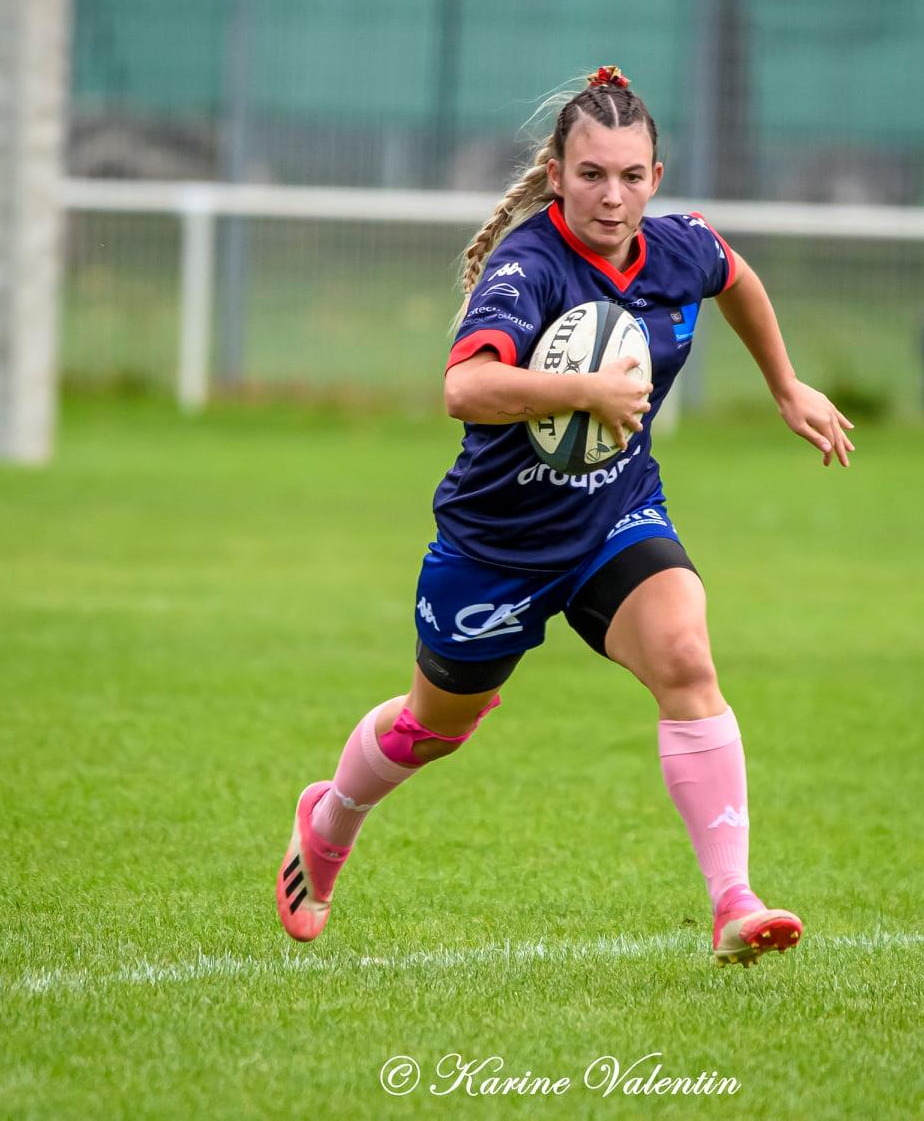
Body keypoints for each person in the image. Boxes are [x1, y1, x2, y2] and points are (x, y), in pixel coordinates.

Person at [274, 65, 854, 966]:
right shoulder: (529, 266)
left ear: (656, 178)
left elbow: (735, 276)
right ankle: (331, 816)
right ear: (556, 173)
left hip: (613, 518)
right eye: (592, 175)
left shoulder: (677, 248)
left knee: (686, 656)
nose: (612, 198)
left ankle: (733, 900)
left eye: (631, 176)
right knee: (435, 727)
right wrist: (584, 389)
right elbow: (464, 387)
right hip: (495, 546)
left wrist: (785, 385)